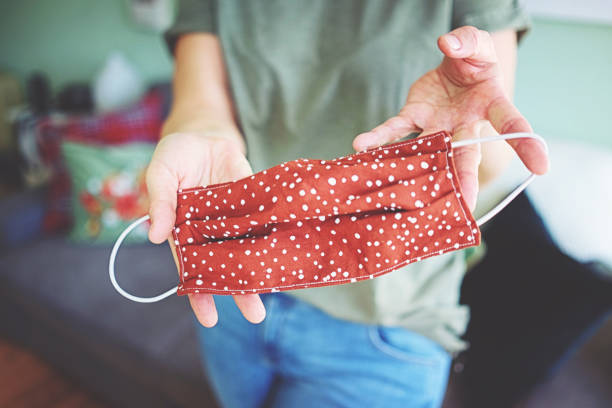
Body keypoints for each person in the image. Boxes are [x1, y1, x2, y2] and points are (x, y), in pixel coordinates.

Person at [146, 1, 549, 407]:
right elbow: (201, 104)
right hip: (239, 290)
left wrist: (468, 121)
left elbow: (480, 170)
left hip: (380, 327)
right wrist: (199, 140)